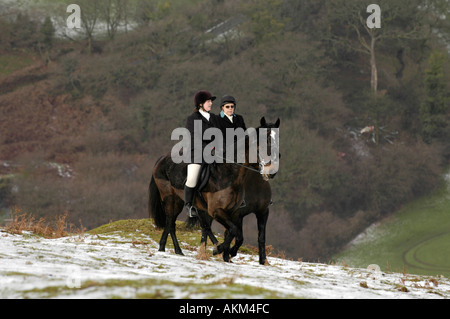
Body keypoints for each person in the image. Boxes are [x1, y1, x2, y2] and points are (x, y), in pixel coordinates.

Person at [184, 90, 218, 217]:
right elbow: (194, 138)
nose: (210, 104)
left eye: (211, 101)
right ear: (200, 104)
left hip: (214, 154)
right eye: (208, 101)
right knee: (192, 177)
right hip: (196, 154)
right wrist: (209, 148)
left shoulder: (214, 118)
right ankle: (188, 205)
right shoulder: (192, 119)